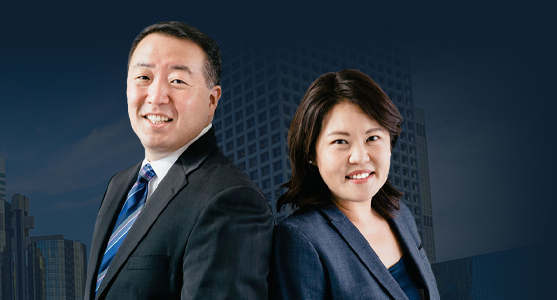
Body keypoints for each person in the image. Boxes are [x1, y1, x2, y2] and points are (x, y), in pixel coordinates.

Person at [84, 21, 274, 300]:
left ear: (212, 100)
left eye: (177, 81)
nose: (156, 96)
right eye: (143, 77)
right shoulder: (120, 185)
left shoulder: (231, 200)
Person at [270, 69, 439, 300]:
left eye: (372, 138)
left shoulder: (401, 215)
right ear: (311, 153)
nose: (359, 157)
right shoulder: (301, 239)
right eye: (340, 141)